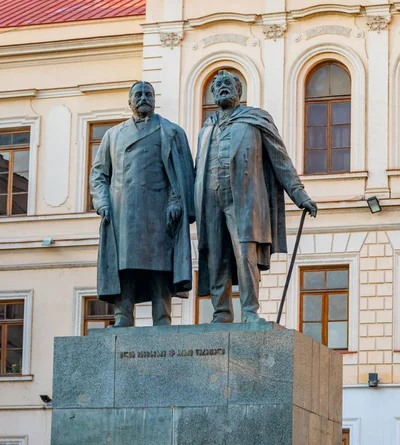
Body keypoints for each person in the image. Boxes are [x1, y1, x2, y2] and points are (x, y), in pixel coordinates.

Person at [194, 69, 318, 324]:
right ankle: (221, 313)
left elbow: (280, 160)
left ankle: (250, 311)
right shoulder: (206, 128)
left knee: (244, 254)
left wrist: (299, 194)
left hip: (243, 198)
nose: (222, 88)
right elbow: (197, 169)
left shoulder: (256, 119)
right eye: (218, 86)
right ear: (213, 93)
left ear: (239, 92)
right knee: (215, 257)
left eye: (228, 84)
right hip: (209, 200)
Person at [90, 81, 194, 327]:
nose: (144, 98)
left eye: (149, 94)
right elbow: (99, 174)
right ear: (129, 102)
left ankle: (162, 317)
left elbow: (182, 174)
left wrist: (176, 201)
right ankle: (123, 316)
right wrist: (103, 203)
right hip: (122, 211)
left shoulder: (171, 131)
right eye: (138, 94)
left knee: (160, 264)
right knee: (124, 265)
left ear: (155, 100)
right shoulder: (113, 135)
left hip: (159, 209)